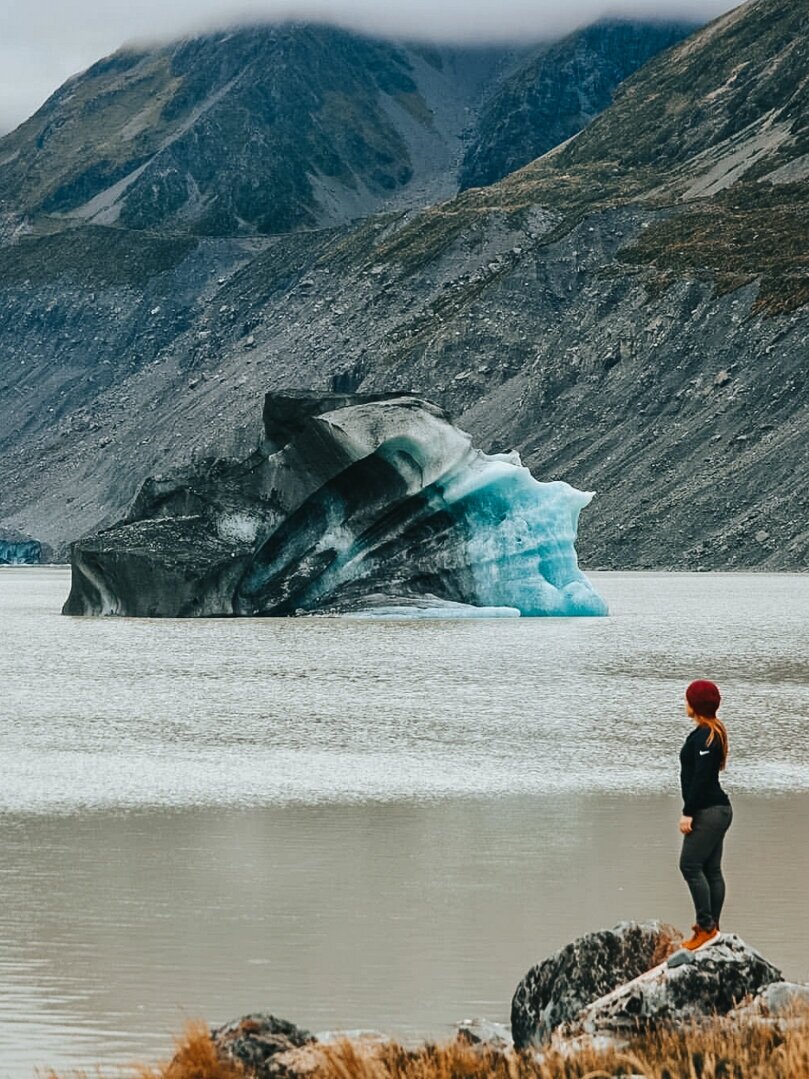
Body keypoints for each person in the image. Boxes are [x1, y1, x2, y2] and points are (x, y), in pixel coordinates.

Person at [678, 679, 732, 951]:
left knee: (689, 865)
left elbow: (700, 779)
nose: (684, 704)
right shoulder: (710, 732)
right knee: (710, 869)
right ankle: (712, 928)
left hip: (708, 812)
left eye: (687, 699)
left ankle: (707, 927)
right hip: (717, 810)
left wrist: (688, 813)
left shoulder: (705, 737)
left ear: (695, 705)